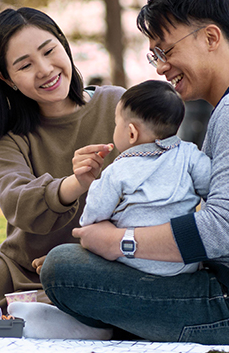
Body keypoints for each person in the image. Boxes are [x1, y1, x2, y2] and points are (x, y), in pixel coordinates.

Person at [40, 0, 229, 348]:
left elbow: (226, 228)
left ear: (210, 37)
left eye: (166, 50)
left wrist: (120, 243)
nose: (161, 68)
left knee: (64, 270)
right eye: (154, 56)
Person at [0, 7, 125, 315]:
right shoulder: (6, 134)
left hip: (99, 260)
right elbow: (17, 202)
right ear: (8, 79)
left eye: (49, 51)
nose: (44, 69)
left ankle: (32, 307)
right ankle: (30, 306)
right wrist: (75, 183)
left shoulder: (117, 106)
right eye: (25, 65)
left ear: (63, 45)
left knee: (61, 306)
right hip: (21, 266)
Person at [79, 80, 210, 276]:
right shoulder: (189, 155)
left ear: (132, 133)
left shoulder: (119, 170)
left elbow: (93, 216)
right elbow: (213, 186)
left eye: (116, 124)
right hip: (182, 264)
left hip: (132, 261)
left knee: (70, 257)